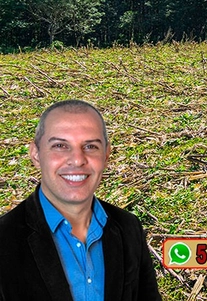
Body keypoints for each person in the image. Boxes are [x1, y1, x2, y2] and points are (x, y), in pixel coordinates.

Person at [0, 100, 162, 301]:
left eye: (90, 146)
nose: (77, 160)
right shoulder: (4, 239)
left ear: (106, 154)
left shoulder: (129, 228)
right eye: (60, 146)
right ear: (35, 154)